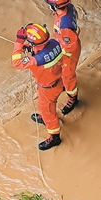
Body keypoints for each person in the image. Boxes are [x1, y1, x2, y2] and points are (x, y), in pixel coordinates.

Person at [11, 23, 63, 151]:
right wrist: (30, 47)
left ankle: (54, 136)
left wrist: (19, 43)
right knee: (45, 107)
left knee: (48, 112)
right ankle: (46, 118)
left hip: (48, 87)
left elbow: (16, 63)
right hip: (58, 80)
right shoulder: (54, 43)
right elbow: (43, 50)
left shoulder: (37, 59)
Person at [44, 0, 81, 114]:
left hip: (68, 53)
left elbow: (70, 44)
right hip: (66, 48)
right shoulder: (69, 8)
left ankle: (72, 98)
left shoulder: (65, 26)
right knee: (64, 74)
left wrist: (60, 54)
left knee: (68, 76)